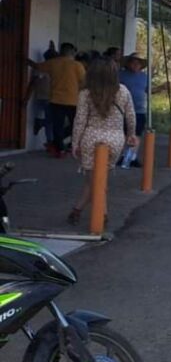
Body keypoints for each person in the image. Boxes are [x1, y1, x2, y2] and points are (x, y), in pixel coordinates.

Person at [67, 59, 137, 226]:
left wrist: (75, 142)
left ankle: (98, 214)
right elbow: (131, 116)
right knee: (99, 179)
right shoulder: (123, 91)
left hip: (90, 138)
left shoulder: (86, 93)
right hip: (115, 139)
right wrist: (131, 134)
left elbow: (80, 120)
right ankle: (80, 211)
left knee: (94, 180)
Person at [37, 43, 86, 157]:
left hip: (56, 99)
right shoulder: (77, 65)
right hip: (73, 100)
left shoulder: (53, 63)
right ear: (72, 52)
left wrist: (25, 60)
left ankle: (59, 148)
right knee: (76, 125)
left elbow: (38, 66)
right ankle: (66, 144)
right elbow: (84, 82)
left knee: (57, 125)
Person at [118, 53, 149, 167]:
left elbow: (148, 90)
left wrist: (161, 88)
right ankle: (122, 156)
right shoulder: (121, 75)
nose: (136, 65)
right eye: (133, 62)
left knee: (137, 133)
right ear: (128, 64)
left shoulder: (145, 77)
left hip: (139, 109)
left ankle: (132, 157)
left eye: (138, 63)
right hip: (124, 108)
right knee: (125, 133)